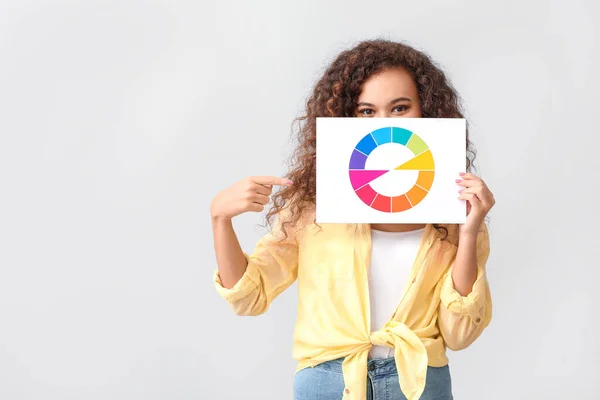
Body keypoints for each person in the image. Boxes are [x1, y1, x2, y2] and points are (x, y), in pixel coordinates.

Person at [210, 39, 495, 400]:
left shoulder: (456, 213)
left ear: (427, 111)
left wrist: (468, 234)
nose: (384, 124)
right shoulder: (312, 206)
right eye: (366, 111)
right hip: (329, 380)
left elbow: (459, 335)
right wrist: (220, 218)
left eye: (400, 108)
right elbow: (249, 298)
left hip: (418, 380)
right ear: (346, 117)